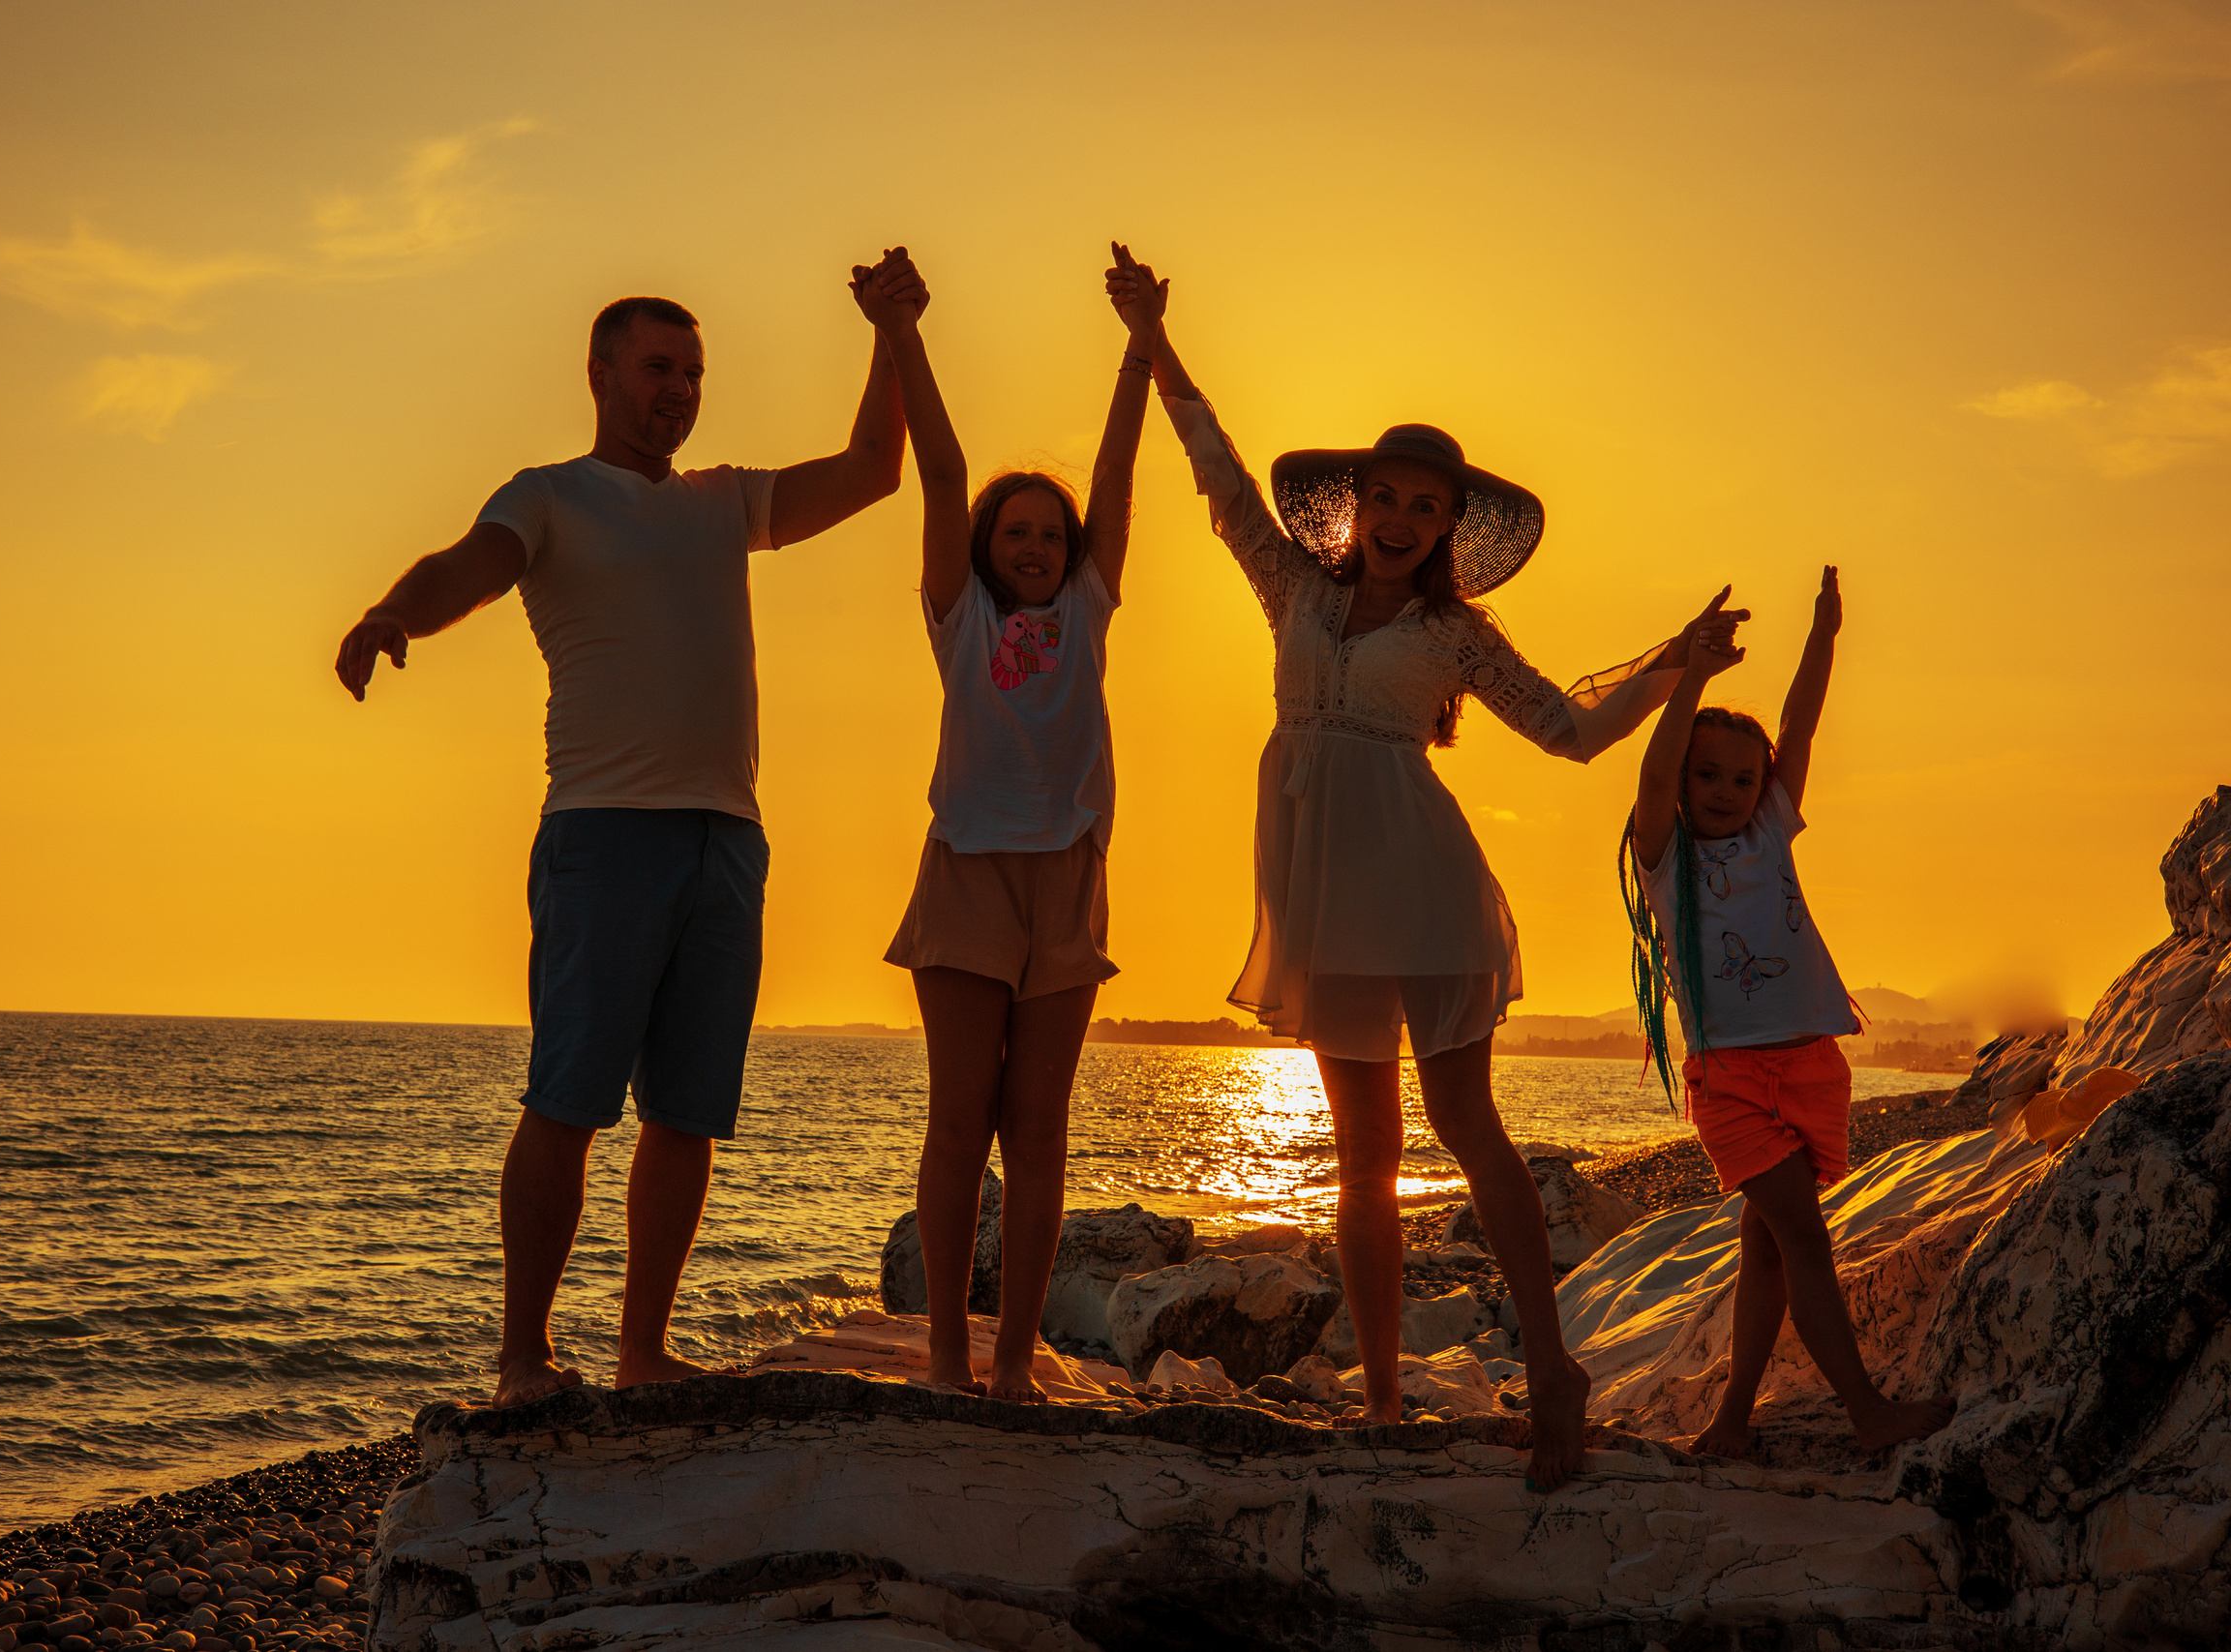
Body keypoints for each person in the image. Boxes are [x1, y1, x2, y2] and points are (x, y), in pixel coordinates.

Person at [1123, 256, 1738, 1489]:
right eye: (1386, 499)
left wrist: (1677, 664)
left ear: (1450, 526)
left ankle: (1555, 1368)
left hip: (1421, 878)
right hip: (1317, 887)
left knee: (1464, 1124)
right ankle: (1388, 1394)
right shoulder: (1289, 583)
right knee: (1357, 1155)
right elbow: (1219, 480)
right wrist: (1153, 341)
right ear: (1354, 509)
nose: (1401, 520)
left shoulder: (1456, 634)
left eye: (1425, 507)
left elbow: (1566, 731)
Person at [332, 283, 907, 1407]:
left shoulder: (721, 503)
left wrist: (892, 336)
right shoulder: (549, 498)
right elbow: (466, 566)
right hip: (603, 835)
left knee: (686, 1113)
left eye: (693, 374)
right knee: (568, 1100)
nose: (679, 393)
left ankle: (643, 1352)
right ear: (601, 375)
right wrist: (393, 613)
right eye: (659, 370)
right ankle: (524, 1361)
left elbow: (873, 471)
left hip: (728, 839)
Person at [854, 244, 1153, 1399]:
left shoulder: (1087, 603)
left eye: (1048, 533)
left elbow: (1118, 480)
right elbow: (940, 473)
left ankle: (1018, 1359)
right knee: (957, 1121)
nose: (1034, 546)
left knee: (1037, 1130)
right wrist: (901, 334)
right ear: (985, 549)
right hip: (967, 873)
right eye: (1014, 533)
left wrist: (1137, 343)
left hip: (1065, 878)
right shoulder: (957, 617)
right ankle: (943, 1356)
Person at [1621, 567, 1956, 1457]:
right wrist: (1691, 674)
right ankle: (1867, 1413)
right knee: (1805, 1242)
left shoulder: (1772, 826)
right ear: (1685, 783)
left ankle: (1732, 1420)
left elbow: (1801, 724)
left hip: (1811, 1065)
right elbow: (1653, 772)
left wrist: (1825, 637)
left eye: (1743, 775)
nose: (1727, 788)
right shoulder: (1666, 860)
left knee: (1766, 1251)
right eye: (1709, 774)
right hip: (1732, 1081)